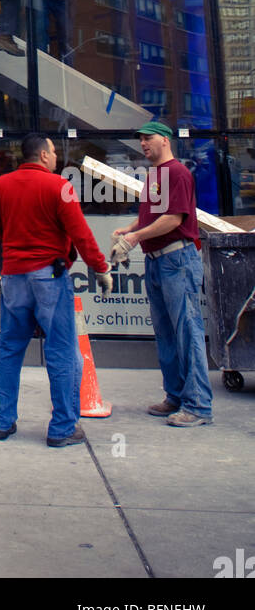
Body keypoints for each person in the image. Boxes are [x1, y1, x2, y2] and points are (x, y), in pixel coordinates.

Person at [0, 134, 112, 446]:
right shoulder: (59, 187)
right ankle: (63, 427)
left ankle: (2, 422)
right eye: (53, 152)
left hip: (13, 276)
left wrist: (17, 233)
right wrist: (100, 267)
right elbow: (80, 232)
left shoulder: (1, 186)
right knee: (61, 350)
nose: (56, 157)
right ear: (42, 155)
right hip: (49, 277)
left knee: (10, 348)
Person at [111, 122, 213, 427]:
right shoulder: (156, 176)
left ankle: (198, 406)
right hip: (159, 261)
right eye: (140, 139)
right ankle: (176, 396)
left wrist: (135, 238)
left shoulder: (177, 173)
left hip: (176, 259)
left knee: (186, 331)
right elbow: (153, 216)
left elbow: (174, 219)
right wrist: (130, 229)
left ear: (165, 141)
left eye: (148, 138)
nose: (143, 144)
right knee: (167, 333)